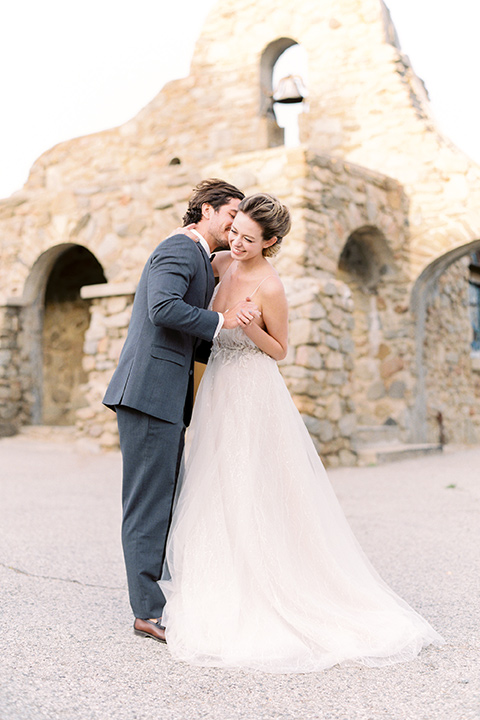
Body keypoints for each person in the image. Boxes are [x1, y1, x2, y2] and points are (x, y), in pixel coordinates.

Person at [159, 193, 444, 673]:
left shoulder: (269, 284)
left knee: (250, 484)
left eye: (250, 239)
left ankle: (267, 582)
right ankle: (218, 577)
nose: (238, 243)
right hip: (218, 388)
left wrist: (249, 327)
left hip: (252, 390)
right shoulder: (221, 261)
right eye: (235, 233)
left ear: (270, 242)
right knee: (213, 479)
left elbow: (280, 350)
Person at [103, 179, 260, 643]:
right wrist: (221, 321)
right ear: (207, 210)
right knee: (149, 504)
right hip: (149, 394)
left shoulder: (203, 261)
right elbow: (162, 309)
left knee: (166, 499)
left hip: (165, 397)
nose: (236, 224)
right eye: (232, 213)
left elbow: (186, 334)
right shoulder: (178, 248)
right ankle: (148, 612)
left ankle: (163, 600)